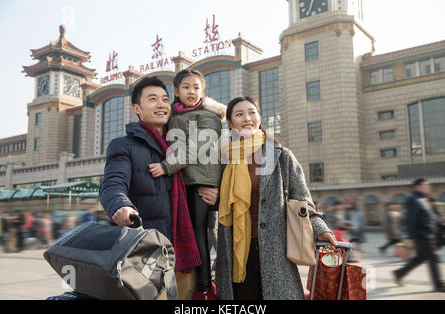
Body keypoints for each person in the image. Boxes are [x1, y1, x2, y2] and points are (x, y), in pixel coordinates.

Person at [215, 97, 336, 300]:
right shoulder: (223, 159)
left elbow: (303, 202)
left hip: (277, 253)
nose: (247, 118)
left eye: (252, 112)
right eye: (239, 114)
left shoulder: (281, 157)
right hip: (236, 254)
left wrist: (321, 229)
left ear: (259, 118)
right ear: (230, 124)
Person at [99, 76, 202, 299]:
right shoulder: (124, 146)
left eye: (165, 99)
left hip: (186, 254)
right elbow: (112, 183)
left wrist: (211, 191)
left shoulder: (181, 147)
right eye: (152, 99)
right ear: (137, 108)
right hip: (148, 255)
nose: (161, 104)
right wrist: (121, 206)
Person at [148, 69, 225, 300]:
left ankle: (203, 288)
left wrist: (167, 166)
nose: (191, 91)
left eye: (196, 87)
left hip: (201, 182)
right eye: (186, 87)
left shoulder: (210, 118)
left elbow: (194, 148)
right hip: (179, 182)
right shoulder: (169, 116)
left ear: (203, 92)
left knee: (198, 233)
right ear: (176, 91)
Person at [393, 178, 445, 292]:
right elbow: (410, 219)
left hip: (427, 235)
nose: (428, 187)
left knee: (420, 258)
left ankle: (399, 273)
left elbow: (433, 217)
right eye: (425, 185)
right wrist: (412, 237)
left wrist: (442, 226)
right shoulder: (413, 199)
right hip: (422, 236)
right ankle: (438, 285)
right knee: (432, 259)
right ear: (417, 186)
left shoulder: (423, 198)